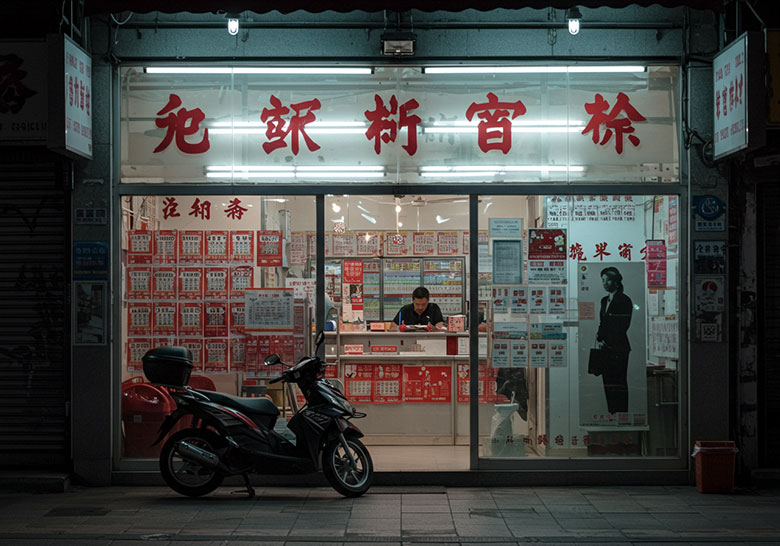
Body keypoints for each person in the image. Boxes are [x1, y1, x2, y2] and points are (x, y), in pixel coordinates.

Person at [596, 266, 633, 415]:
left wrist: (608, 341)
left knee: (619, 382)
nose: (604, 283)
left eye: (607, 280)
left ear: (616, 281)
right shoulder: (604, 300)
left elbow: (623, 326)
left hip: (619, 347)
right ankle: (612, 413)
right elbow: (602, 323)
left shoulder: (624, 300)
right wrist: (600, 338)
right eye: (602, 280)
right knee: (608, 383)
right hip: (605, 347)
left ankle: (622, 414)